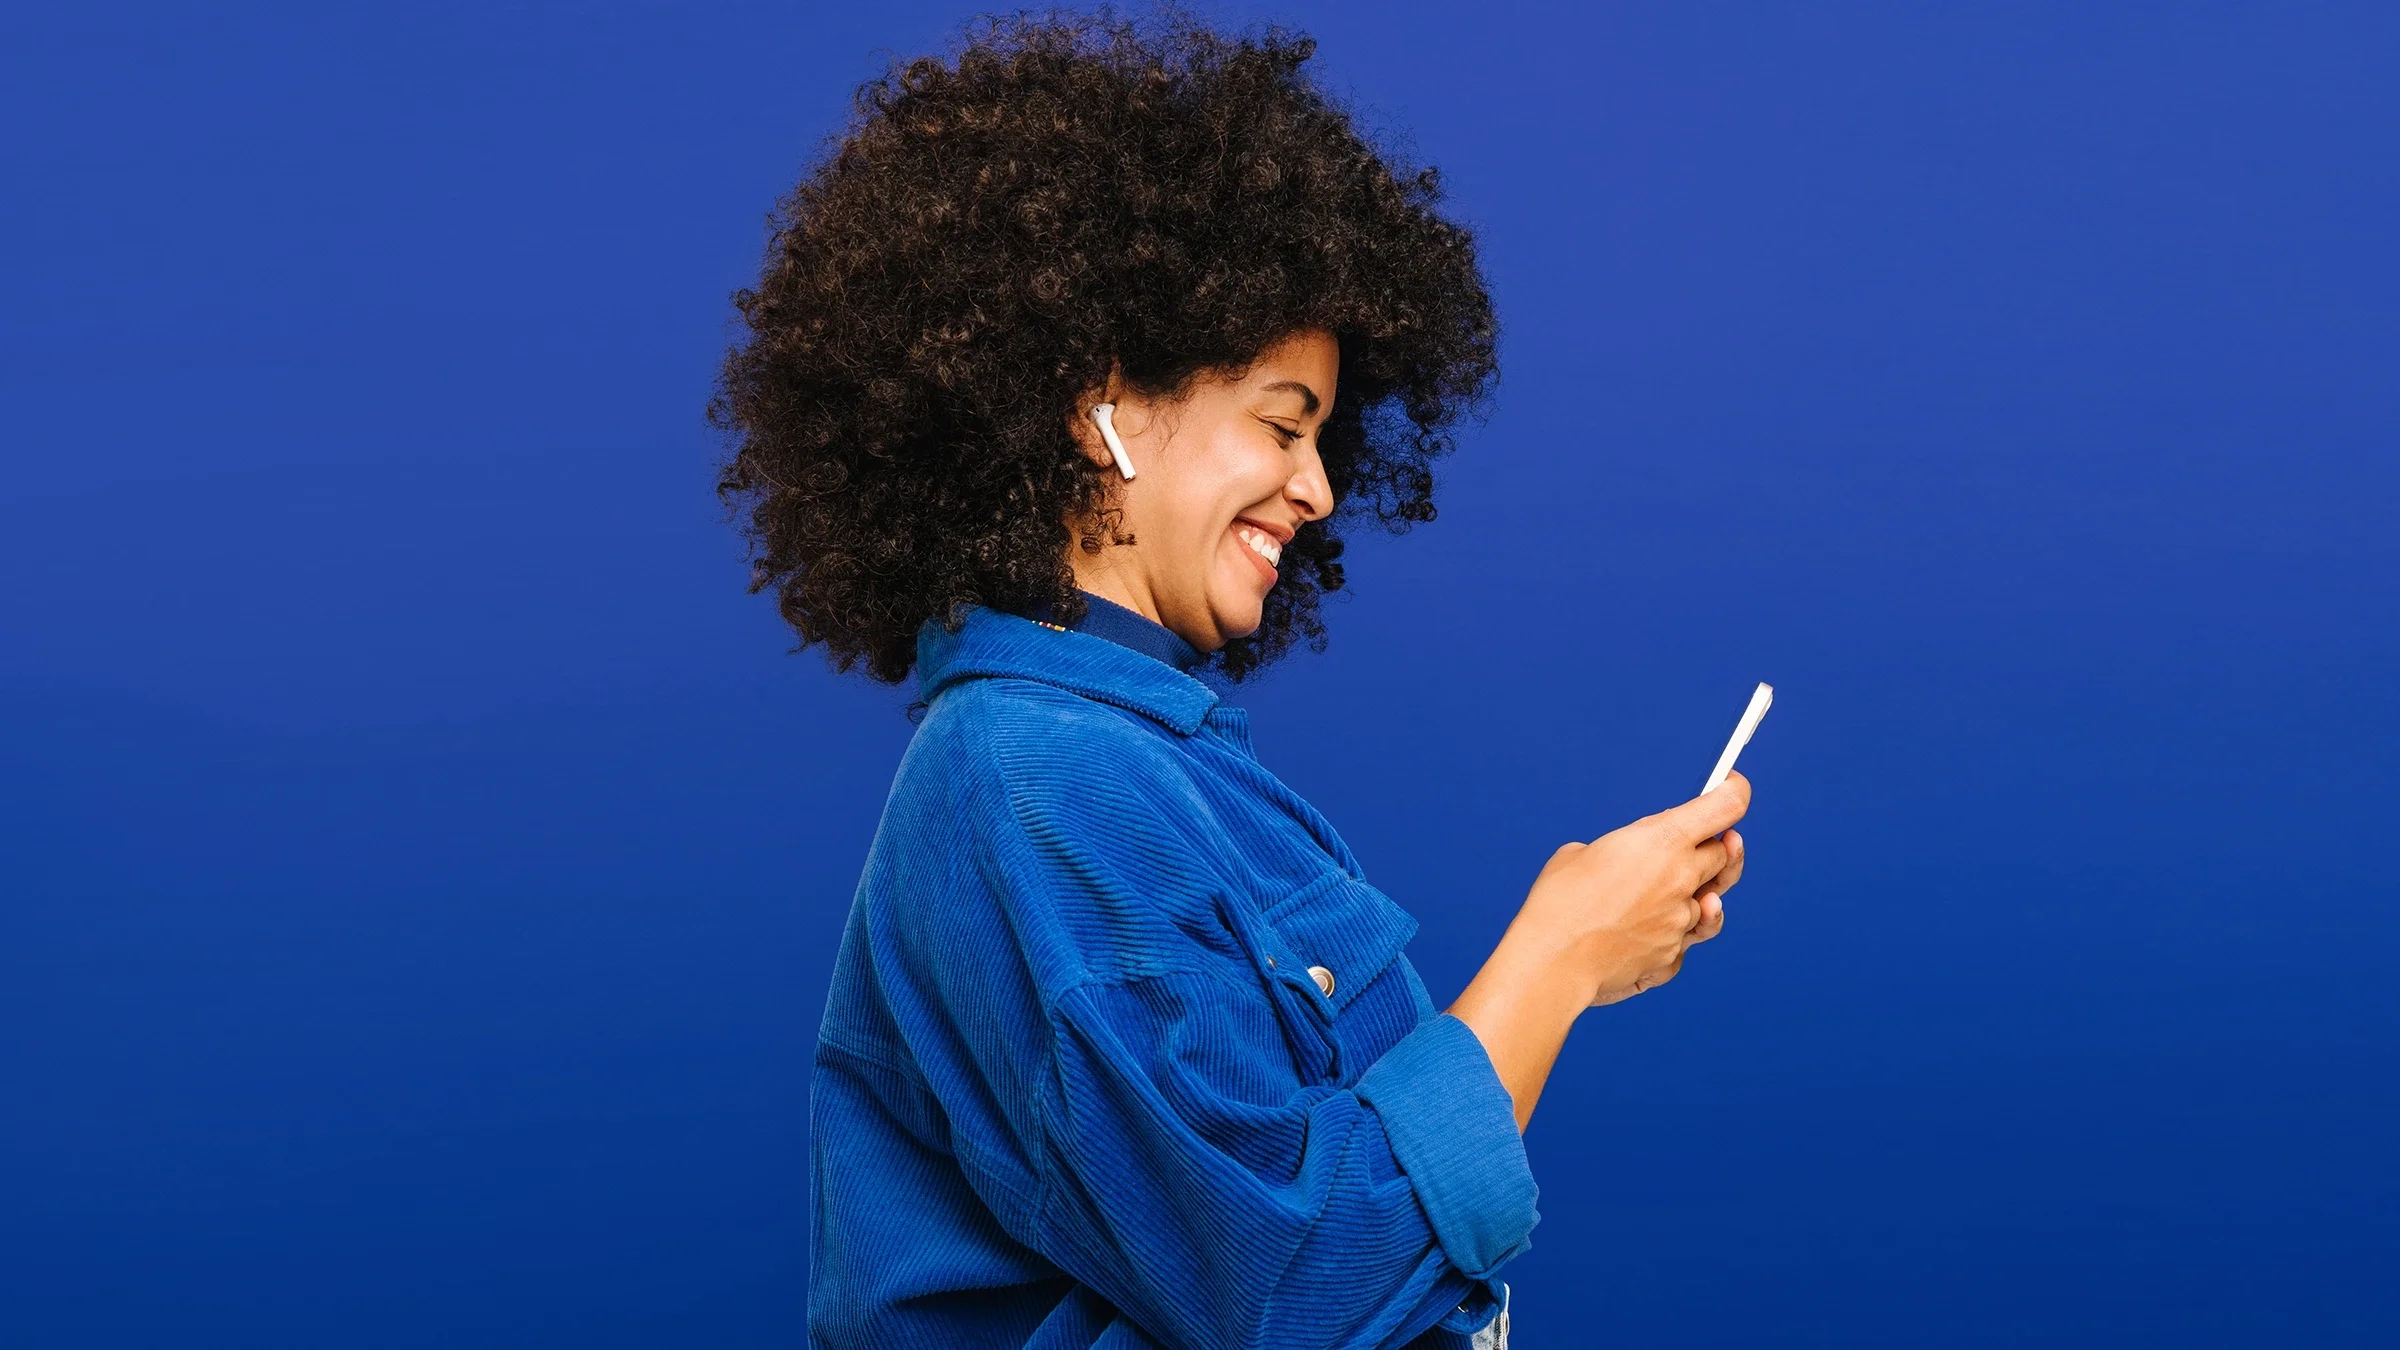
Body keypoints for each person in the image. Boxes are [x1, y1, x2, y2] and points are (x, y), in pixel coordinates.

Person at [711, 15, 1751, 1348]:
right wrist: (1556, 954)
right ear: (1105, 409)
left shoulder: (1143, 763)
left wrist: (1587, 964)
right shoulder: (1037, 783)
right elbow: (1286, 1287)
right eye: (1281, 423)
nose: (1317, 490)